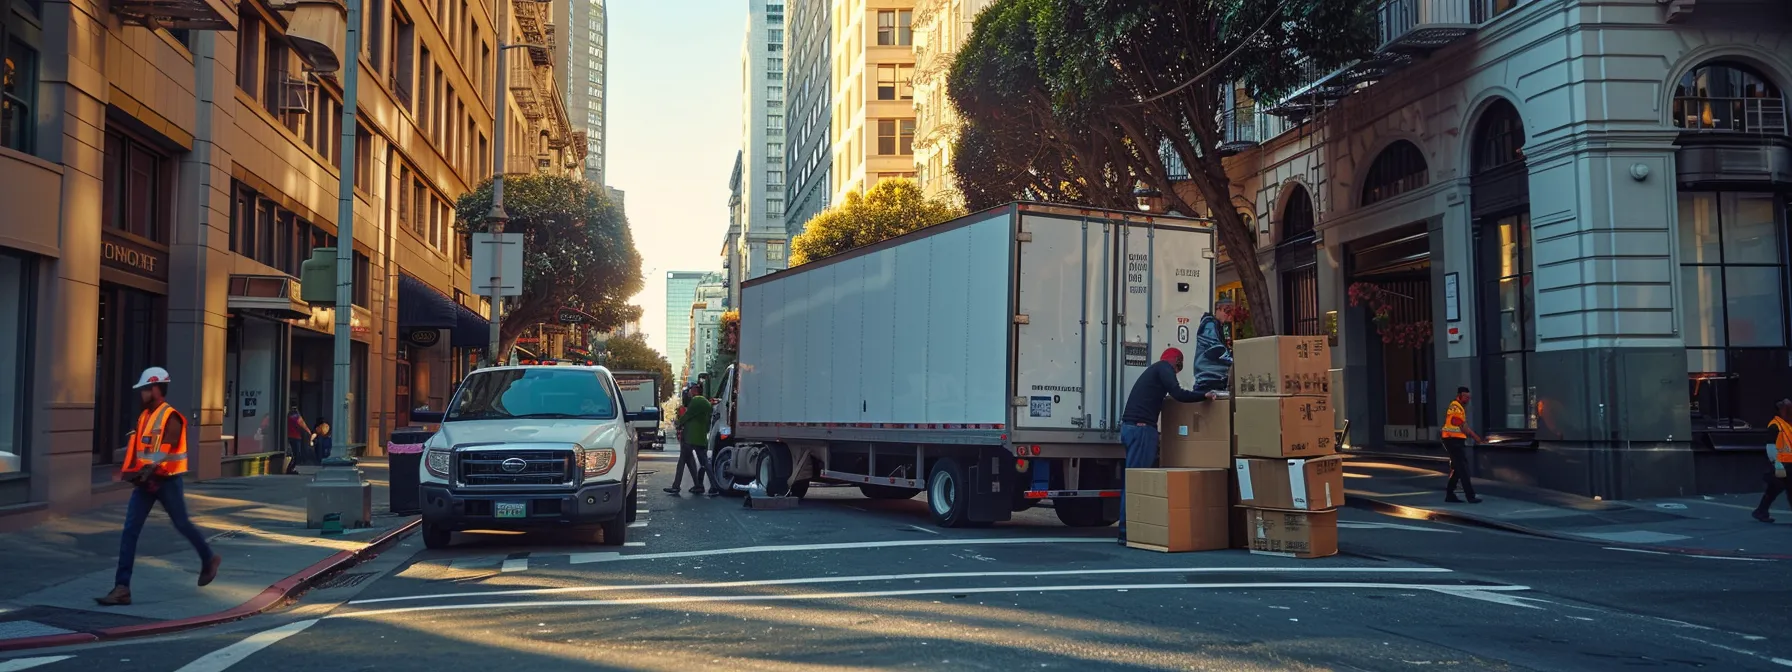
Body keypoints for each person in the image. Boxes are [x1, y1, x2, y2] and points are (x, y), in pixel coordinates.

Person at [96, 367, 222, 606]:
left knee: (182, 523)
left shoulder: (170, 416)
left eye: (145, 388)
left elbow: (165, 449)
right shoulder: (144, 416)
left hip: (167, 480)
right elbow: (142, 450)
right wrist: (131, 471)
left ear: (156, 388)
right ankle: (122, 588)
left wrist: (147, 471)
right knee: (130, 531)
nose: (141, 393)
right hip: (146, 481)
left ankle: (209, 558)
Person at [1117, 347, 1221, 543]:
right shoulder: (1164, 368)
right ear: (1175, 361)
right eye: (1178, 367)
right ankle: (1126, 531)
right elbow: (1178, 393)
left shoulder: (1154, 371)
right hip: (1141, 429)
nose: (1177, 372)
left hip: (1133, 428)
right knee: (1136, 482)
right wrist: (1203, 395)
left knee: (1132, 480)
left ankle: (1129, 528)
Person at [667, 383, 714, 496]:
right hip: (700, 437)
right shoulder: (705, 402)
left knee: (683, 460)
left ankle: (676, 486)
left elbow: (688, 415)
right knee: (697, 461)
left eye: (689, 391)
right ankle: (700, 485)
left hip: (692, 438)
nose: (687, 394)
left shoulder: (697, 401)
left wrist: (678, 423)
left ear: (694, 390)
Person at [1441, 387, 1484, 504]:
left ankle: (1450, 495)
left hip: (1454, 440)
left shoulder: (1459, 407)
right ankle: (1470, 496)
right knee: (1463, 468)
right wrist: (1475, 437)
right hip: (1452, 441)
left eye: (1468, 397)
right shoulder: (1455, 406)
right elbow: (1459, 424)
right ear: (1459, 395)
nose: (1467, 399)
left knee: (1458, 468)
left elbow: (1461, 424)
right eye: (1465, 396)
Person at [1752, 399, 1792, 523]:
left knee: (1774, 489)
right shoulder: (1775, 425)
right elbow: (1771, 447)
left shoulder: (1788, 424)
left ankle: (1761, 511)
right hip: (1782, 464)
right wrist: (1777, 465)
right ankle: (1760, 511)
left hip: (1788, 464)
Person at [1192, 299, 1237, 396]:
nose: (1229, 315)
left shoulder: (1218, 326)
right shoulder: (1209, 325)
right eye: (1227, 311)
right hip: (1209, 378)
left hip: (1213, 378)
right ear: (1217, 310)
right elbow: (1215, 349)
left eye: (1231, 312)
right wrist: (1233, 359)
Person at [286, 407, 310, 474]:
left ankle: (290, 468)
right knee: (296, 454)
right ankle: (290, 468)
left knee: (292, 453)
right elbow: (304, 427)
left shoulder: (288, 417)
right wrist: (310, 433)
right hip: (296, 437)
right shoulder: (297, 417)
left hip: (289, 437)